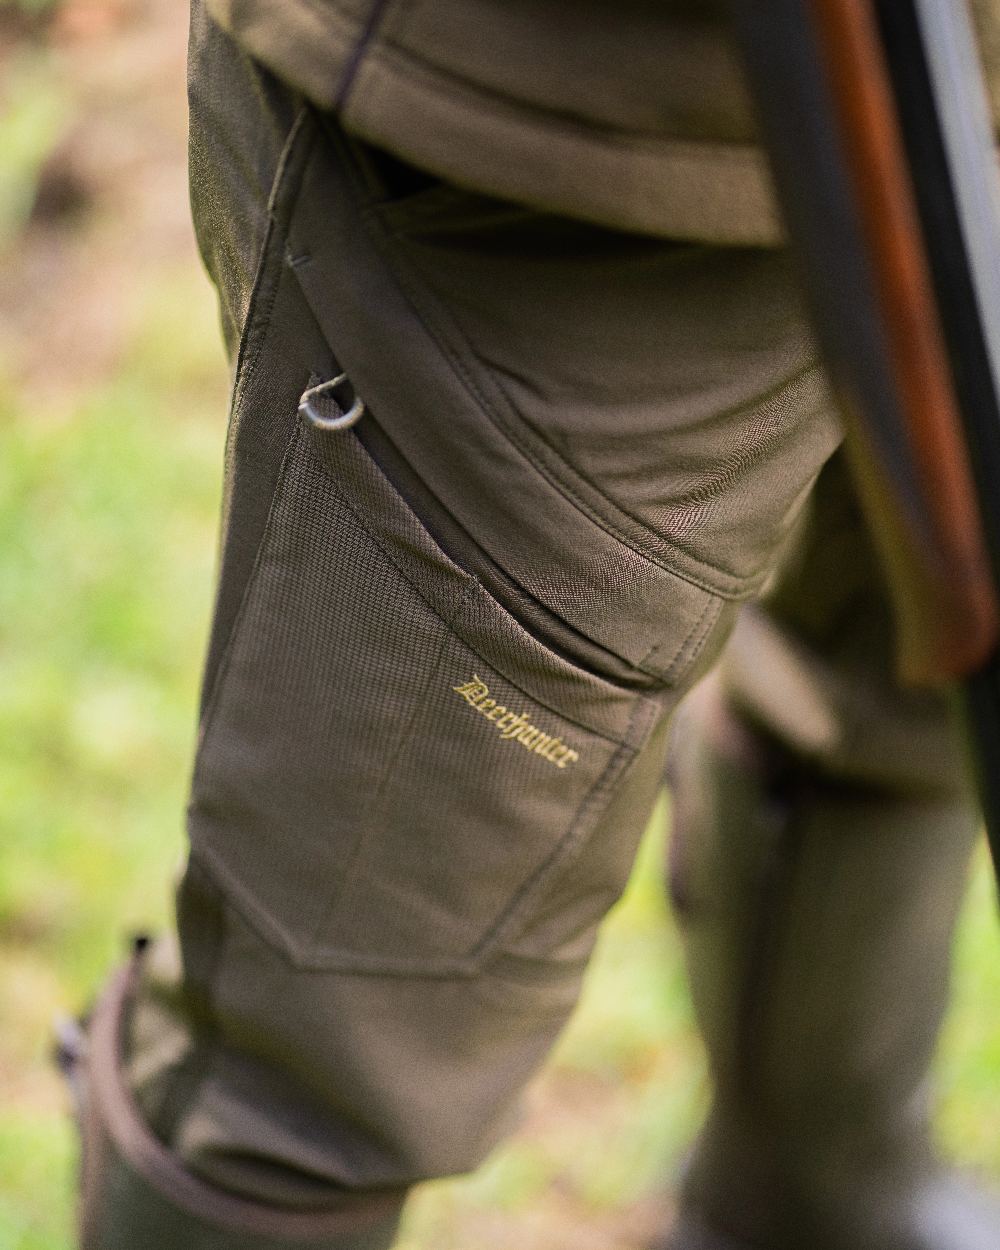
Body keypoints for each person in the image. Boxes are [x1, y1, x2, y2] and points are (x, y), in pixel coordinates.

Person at [66, 1, 1000, 1247]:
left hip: (963, 96)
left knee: (910, 667)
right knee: (325, 1052)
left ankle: (816, 1190)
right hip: (579, 130)